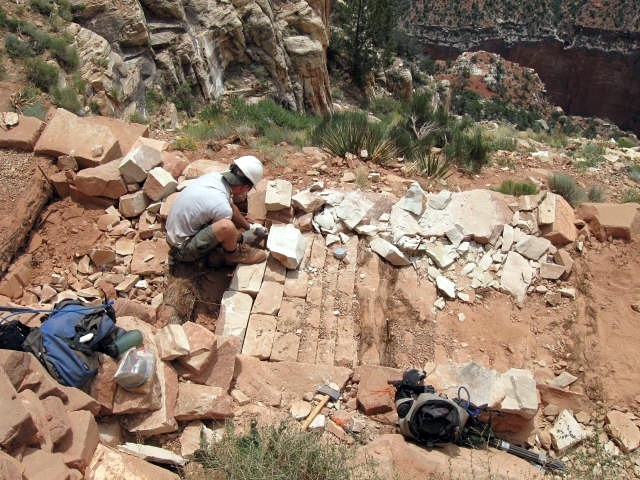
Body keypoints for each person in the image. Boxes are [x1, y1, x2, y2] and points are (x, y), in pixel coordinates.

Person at [165, 155, 267, 265]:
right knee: (227, 227)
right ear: (246, 187)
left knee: (226, 215)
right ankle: (233, 255)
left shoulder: (214, 178)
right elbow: (226, 229)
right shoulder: (221, 206)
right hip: (182, 250)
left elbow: (231, 207)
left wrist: (249, 227)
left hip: (173, 235)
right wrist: (243, 238)